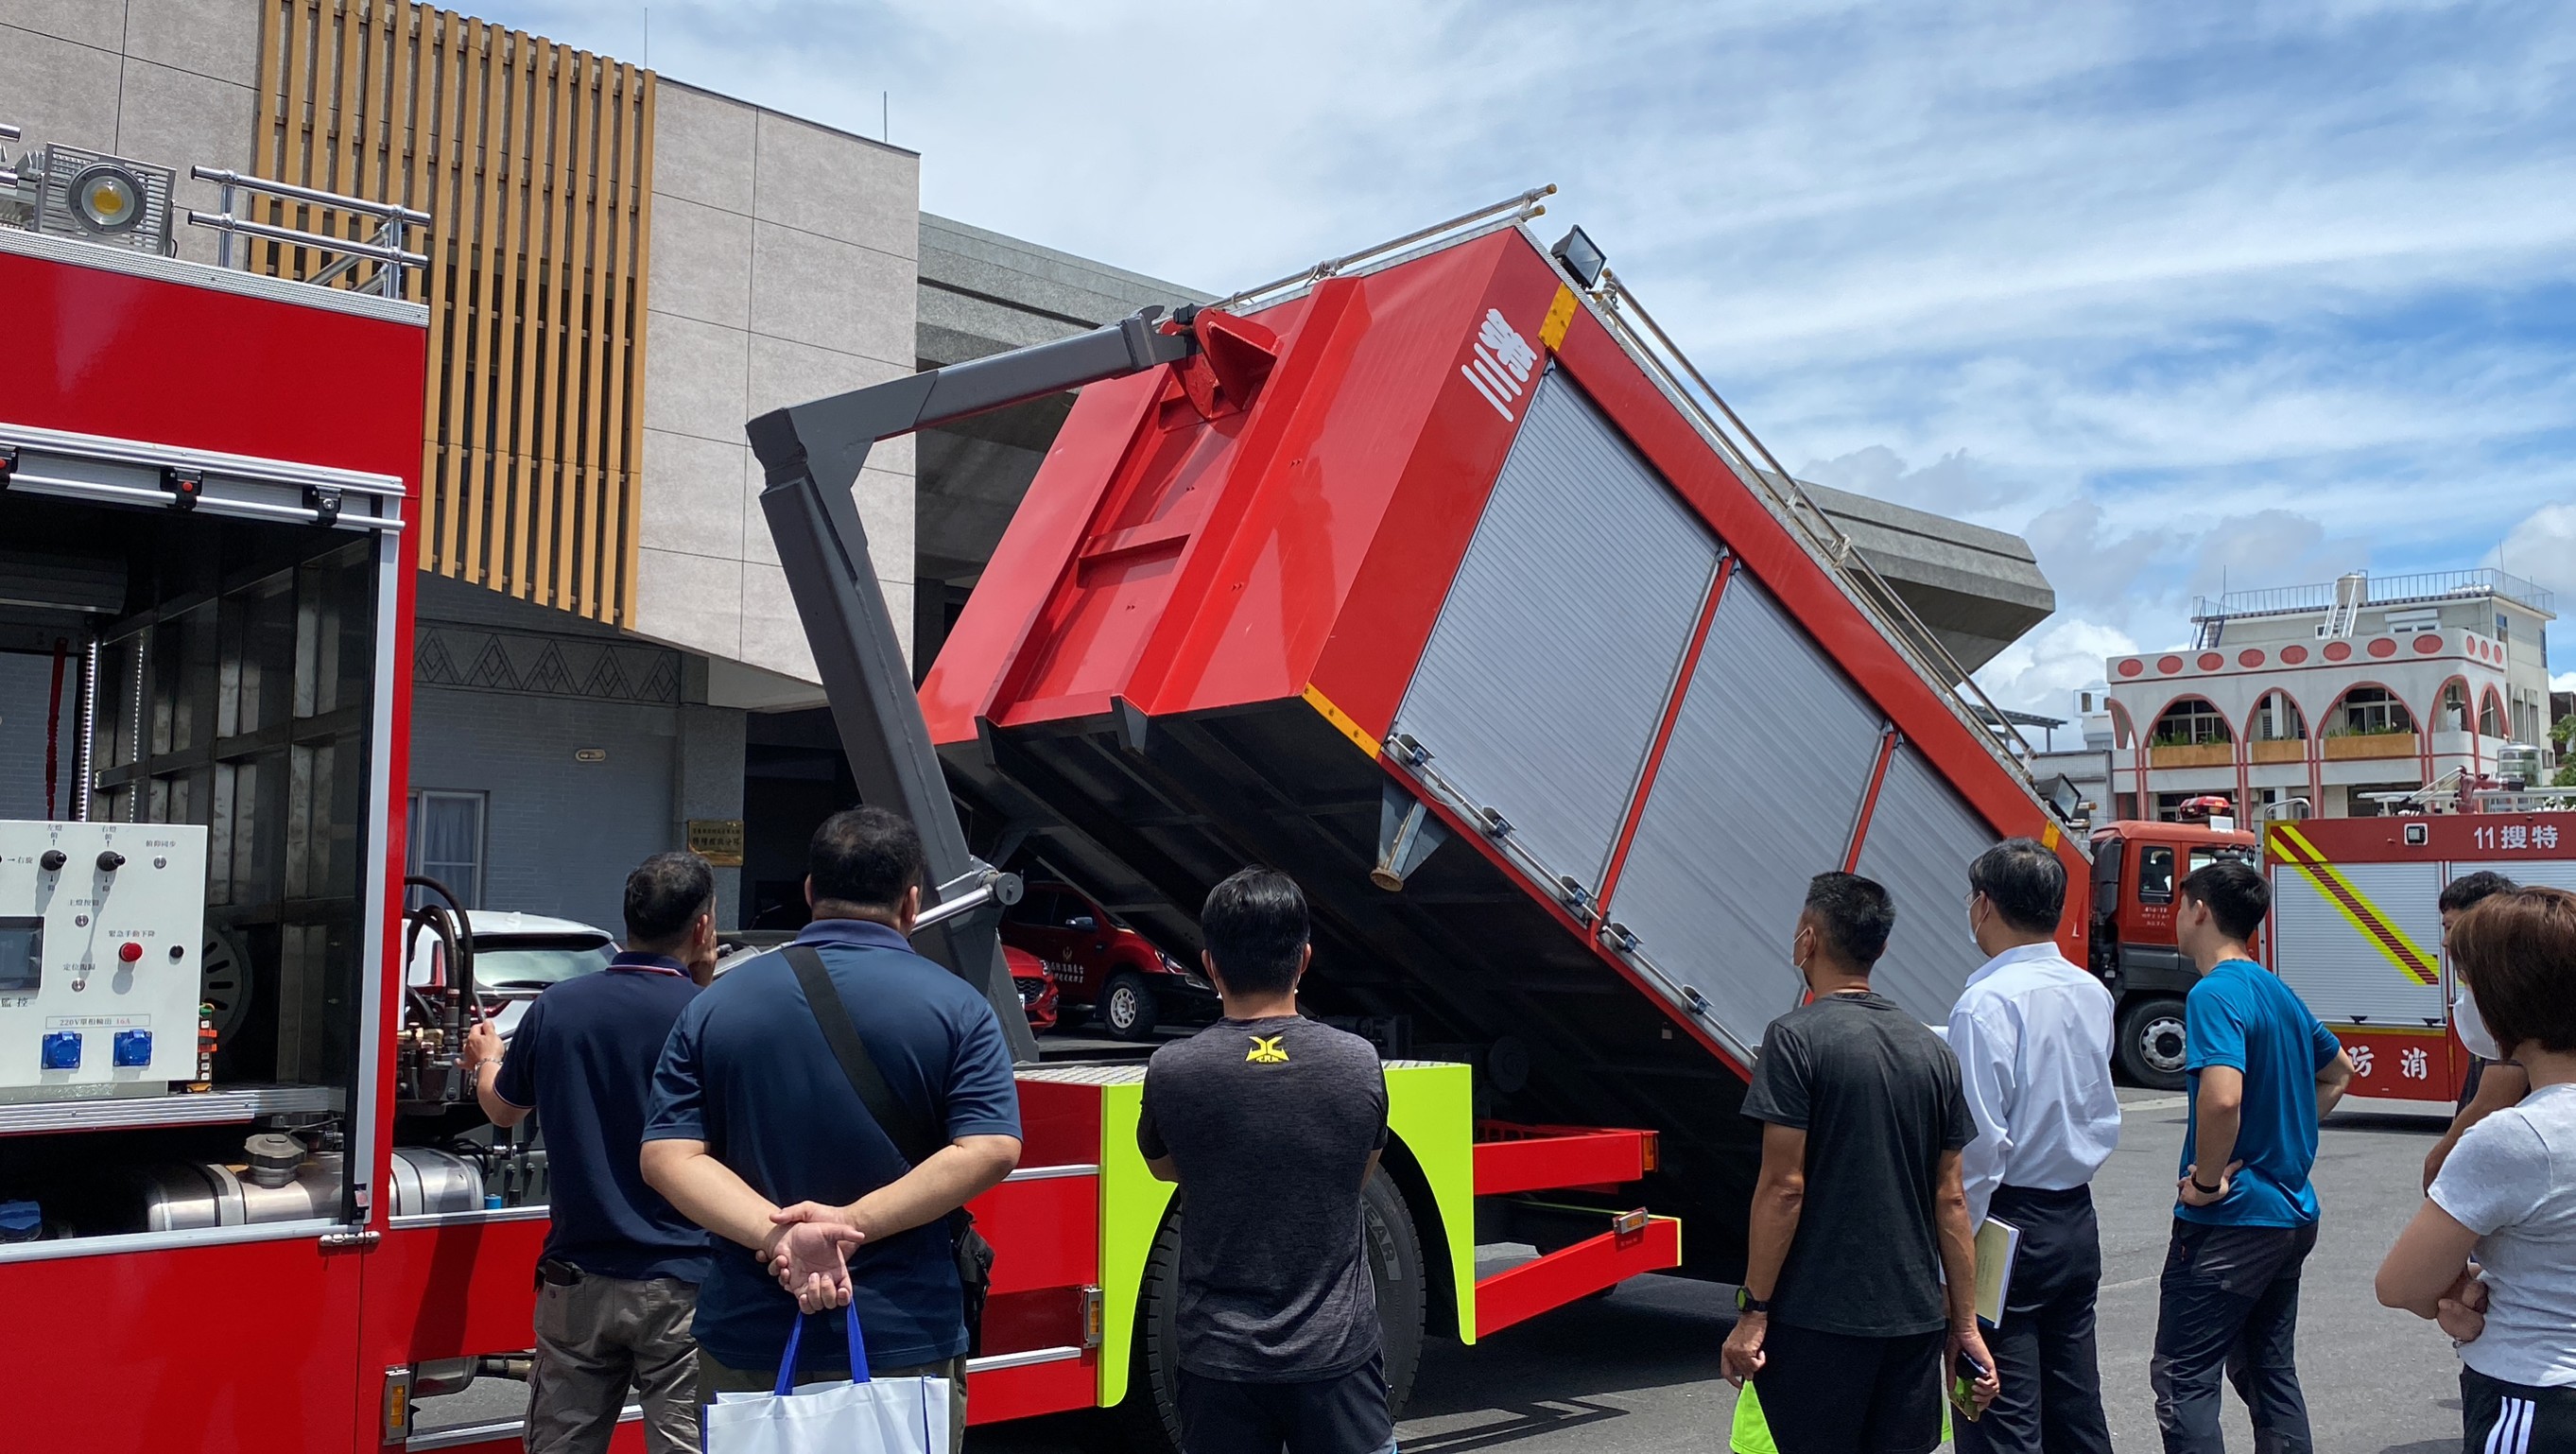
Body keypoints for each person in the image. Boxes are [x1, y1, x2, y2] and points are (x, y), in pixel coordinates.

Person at [639, 807, 1021, 1452]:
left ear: (811, 892)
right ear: (911, 901)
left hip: (751, 1327)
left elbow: (667, 1158)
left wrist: (779, 1235)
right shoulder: (959, 1006)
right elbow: (989, 1147)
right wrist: (853, 1225)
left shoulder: (714, 1006)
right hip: (901, 1331)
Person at [1723, 872, 1998, 1454]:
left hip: (1818, 1319)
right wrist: (1965, 1326)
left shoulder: (1794, 1039)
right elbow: (1952, 1197)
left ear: (1808, 939)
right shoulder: (1933, 1050)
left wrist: (1753, 1311)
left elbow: (1783, 1188)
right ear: (1881, 948)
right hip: (1915, 1319)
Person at [461, 851, 721, 1454]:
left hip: (576, 1279)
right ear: (703, 928)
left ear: (627, 918)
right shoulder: (710, 1017)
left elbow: (503, 1109)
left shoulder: (559, 1006)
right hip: (682, 1280)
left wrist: (487, 1059)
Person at [1135, 868, 1394, 1454]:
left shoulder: (1173, 1070)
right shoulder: (1358, 1063)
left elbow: (1163, 1166)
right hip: (1339, 1360)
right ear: (1304, 960)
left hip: (1218, 1361)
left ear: (1210, 964)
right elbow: (1357, 1174)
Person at [2150, 859, 2356, 1454]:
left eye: (2178, 905)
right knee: (2268, 1372)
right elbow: (2339, 1071)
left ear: (2199, 910)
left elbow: (2221, 1099)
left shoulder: (2214, 992)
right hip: (2290, 1212)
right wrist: (2284, 1131)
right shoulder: (2275, 989)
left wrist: (2208, 1182)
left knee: (2183, 1378)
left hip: (2231, 1221)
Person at [2377, 886, 2576, 1453]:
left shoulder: (2517, 1137)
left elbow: (2402, 1284)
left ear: (2504, 1002)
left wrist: (2459, 1292)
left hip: (2536, 1395)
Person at [1945, 839, 2120, 1454]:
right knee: (2075, 1410)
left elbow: (1978, 1151)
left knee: (1994, 1408)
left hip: (2004, 1223)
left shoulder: (1984, 1003)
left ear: (1984, 905)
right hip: (2074, 1215)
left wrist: (1952, 1261)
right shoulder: (2089, 992)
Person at [2424, 870, 2527, 1187]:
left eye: (2451, 928)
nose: (2445, 941)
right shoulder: (2486, 992)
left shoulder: (2514, 997)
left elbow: (2494, 1096)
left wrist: (2438, 1161)